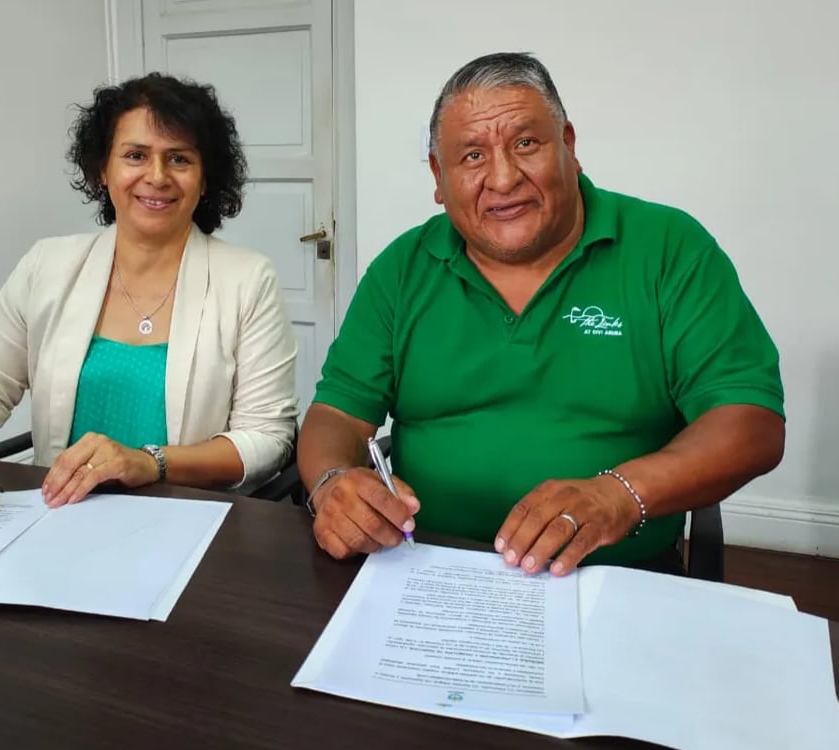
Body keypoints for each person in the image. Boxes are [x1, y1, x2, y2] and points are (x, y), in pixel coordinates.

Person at [298, 52, 784, 575]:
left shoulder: (669, 248)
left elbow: (750, 421)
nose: (503, 178)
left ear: (569, 147)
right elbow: (337, 414)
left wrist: (619, 494)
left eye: (526, 144)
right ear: (439, 176)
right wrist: (331, 484)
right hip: (427, 567)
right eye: (472, 156)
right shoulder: (402, 268)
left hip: (613, 575)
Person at [0, 73, 298, 515]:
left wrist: (149, 462)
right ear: (103, 170)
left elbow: (266, 439)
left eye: (179, 159)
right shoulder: (46, 267)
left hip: (185, 523)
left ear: (205, 178)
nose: (157, 176)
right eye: (136, 156)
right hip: (57, 520)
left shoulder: (247, 280)